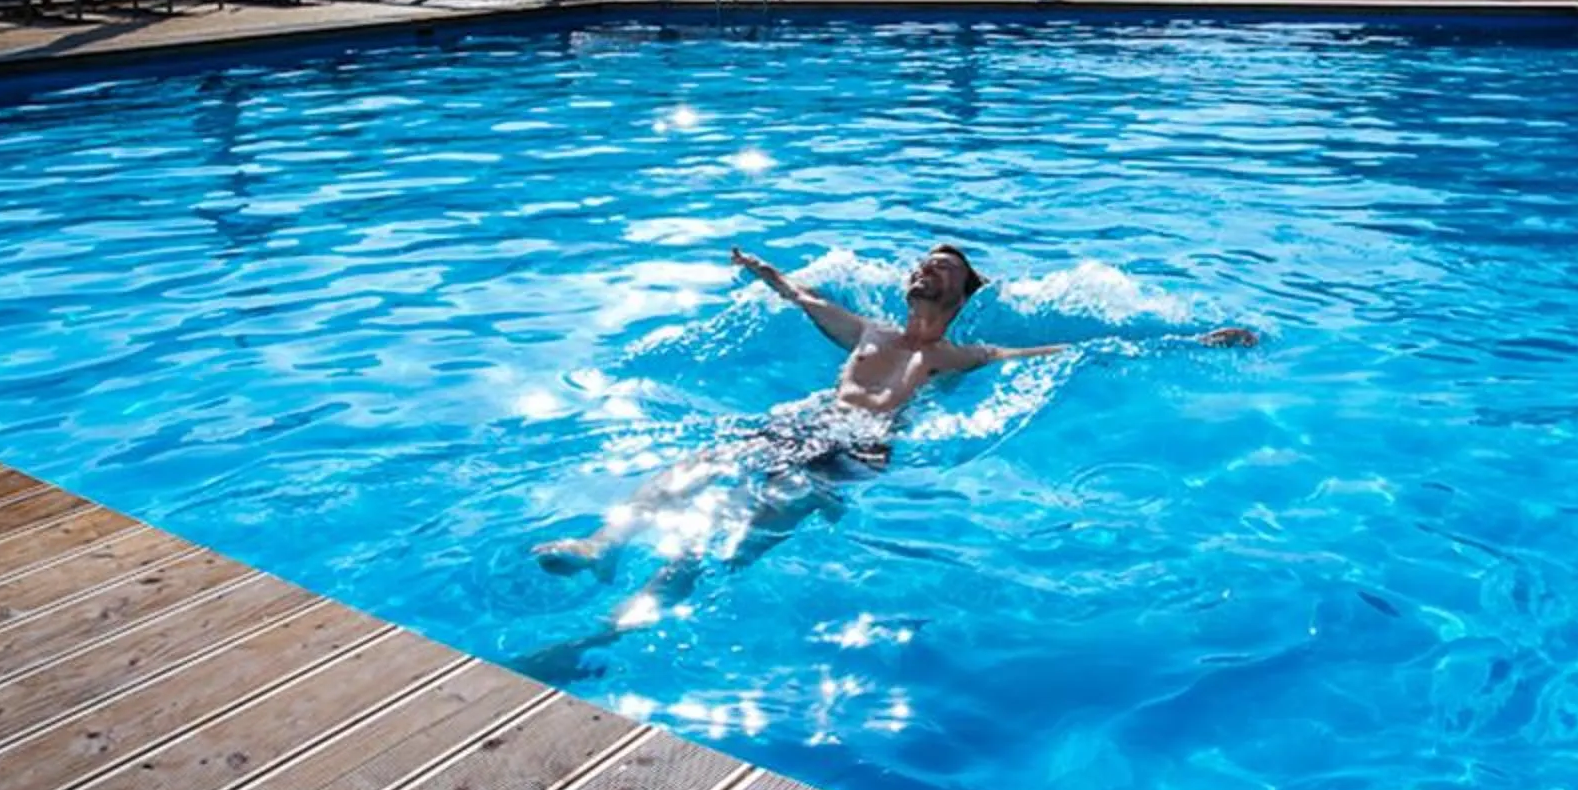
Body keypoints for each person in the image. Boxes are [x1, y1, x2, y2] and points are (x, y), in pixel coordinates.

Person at [530, 243, 1256, 589]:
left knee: (752, 527)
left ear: (961, 293)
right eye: (923, 262)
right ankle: (602, 545)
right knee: (684, 471)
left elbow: (1074, 350)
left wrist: (1191, 342)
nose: (926, 268)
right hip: (806, 420)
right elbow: (800, 297)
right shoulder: (867, 332)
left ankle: (654, 599)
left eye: (942, 266)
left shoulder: (961, 355)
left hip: (861, 447)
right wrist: (761, 272)